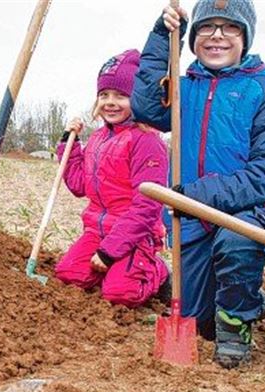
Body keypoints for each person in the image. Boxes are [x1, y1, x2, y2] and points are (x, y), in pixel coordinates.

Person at [132, 0, 265, 368]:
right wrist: (162, 37)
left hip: (242, 215)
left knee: (237, 246)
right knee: (199, 320)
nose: (217, 35)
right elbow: (144, 107)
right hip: (189, 220)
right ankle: (255, 303)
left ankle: (237, 324)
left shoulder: (264, 93)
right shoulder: (183, 89)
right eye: (207, 27)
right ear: (192, 38)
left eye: (230, 27)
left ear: (245, 37)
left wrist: (196, 196)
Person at [53, 49, 171, 309]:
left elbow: (147, 207)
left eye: (121, 95)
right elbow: (78, 185)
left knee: (120, 295)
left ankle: (157, 271)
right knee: (69, 274)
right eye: (104, 94)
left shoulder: (146, 141)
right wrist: (68, 146)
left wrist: (109, 253)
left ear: (138, 99)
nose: (110, 102)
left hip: (136, 235)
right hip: (97, 231)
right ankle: (118, 268)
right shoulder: (97, 139)